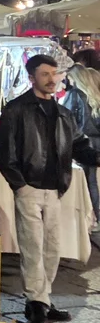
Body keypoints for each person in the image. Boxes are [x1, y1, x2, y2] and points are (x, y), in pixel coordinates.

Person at [0, 54, 100, 323]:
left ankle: (43, 299)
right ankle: (36, 304)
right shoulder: (16, 110)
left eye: (55, 74)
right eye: (45, 74)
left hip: (55, 188)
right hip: (29, 187)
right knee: (32, 248)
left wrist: (96, 157)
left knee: (52, 248)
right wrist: (19, 185)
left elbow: (79, 145)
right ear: (32, 78)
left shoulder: (63, 113)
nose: (52, 79)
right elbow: (5, 151)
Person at [61, 64, 100, 229]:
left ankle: (88, 218)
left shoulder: (75, 95)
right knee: (91, 181)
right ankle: (96, 217)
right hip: (96, 141)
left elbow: (66, 119)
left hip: (82, 142)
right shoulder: (94, 96)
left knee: (83, 181)